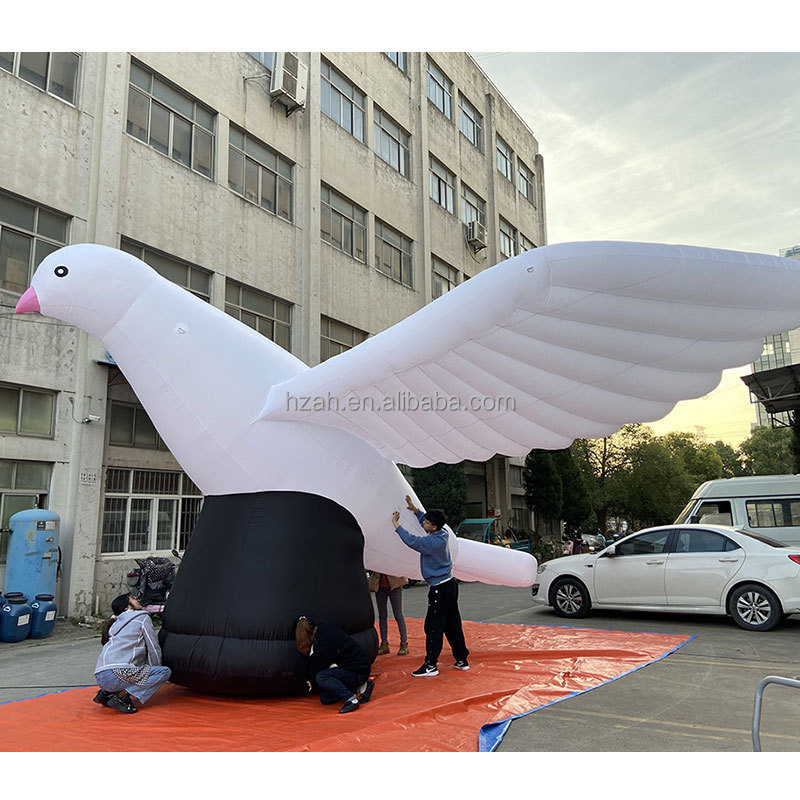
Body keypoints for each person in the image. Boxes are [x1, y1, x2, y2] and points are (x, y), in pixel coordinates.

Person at [391, 495, 469, 677]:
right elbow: (426, 524)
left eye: (426, 522)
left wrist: (396, 524)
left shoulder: (431, 543)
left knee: (433, 626)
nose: (423, 523)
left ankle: (431, 665)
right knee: (452, 624)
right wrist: (416, 511)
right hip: (449, 584)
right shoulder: (442, 533)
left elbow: (412, 541)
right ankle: (461, 659)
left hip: (439, 589)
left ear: (433, 526)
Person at [93, 593, 171, 714]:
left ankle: (106, 692)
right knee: (164, 672)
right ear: (126, 607)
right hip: (117, 675)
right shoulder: (141, 618)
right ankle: (123, 696)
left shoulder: (114, 623)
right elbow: (153, 647)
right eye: (133, 599)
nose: (137, 599)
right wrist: (156, 668)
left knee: (133, 670)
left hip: (100, 676)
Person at [295, 615, 374, 714]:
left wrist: (311, 681)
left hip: (357, 671)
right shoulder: (324, 627)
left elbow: (318, 666)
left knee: (321, 677)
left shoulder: (322, 643)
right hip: (359, 667)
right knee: (325, 699)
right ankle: (362, 687)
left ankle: (351, 699)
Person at [367, 572, 409, 656]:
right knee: (382, 616)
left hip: (395, 585)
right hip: (379, 587)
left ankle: (404, 643)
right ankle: (384, 644)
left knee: (398, 615)